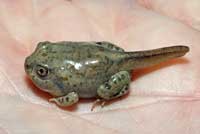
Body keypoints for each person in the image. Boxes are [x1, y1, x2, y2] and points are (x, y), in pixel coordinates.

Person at [0, 0, 199, 134]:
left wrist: (59, 101)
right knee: (108, 52)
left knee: (104, 91)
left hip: (111, 66)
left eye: (41, 72)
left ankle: (121, 83)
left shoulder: (65, 89)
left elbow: (72, 98)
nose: (30, 67)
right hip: (108, 52)